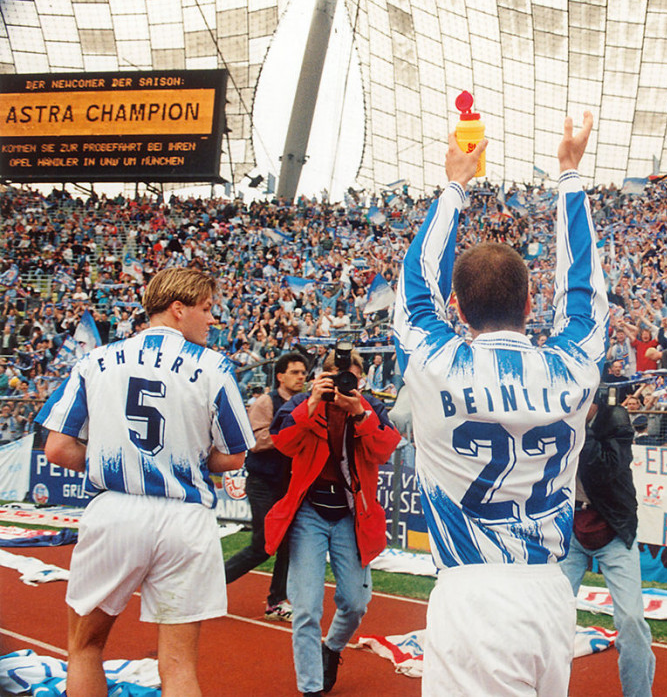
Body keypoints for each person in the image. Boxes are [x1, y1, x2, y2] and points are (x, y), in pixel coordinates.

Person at [393, 112, 608, 695]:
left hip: (473, 591)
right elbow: (585, 289)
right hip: (549, 592)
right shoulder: (572, 365)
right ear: (532, 299)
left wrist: (455, 185)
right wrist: (569, 175)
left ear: (458, 309)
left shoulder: (437, 364)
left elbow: (415, 283)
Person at [34, 267, 254, 697]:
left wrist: (107, 462)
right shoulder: (213, 365)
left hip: (116, 510)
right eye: (207, 309)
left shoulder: (94, 361)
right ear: (178, 308)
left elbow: (57, 449)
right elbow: (234, 456)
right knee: (178, 666)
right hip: (185, 518)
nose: (213, 319)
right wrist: (184, 459)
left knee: (85, 649)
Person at [263, 344, 401, 697]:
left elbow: (385, 449)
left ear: (360, 379)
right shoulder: (302, 405)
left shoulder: (370, 407)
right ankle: (311, 687)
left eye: (350, 378)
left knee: (355, 603)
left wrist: (360, 415)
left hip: (350, 515)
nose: (344, 384)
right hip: (309, 512)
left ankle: (332, 648)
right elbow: (283, 443)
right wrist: (311, 405)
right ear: (322, 377)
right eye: (338, 377)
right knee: (306, 607)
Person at [560, 391, 656, 697]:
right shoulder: (554, 418)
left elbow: (606, 469)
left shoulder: (615, 419)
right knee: (552, 616)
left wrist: (578, 431)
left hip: (615, 528)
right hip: (571, 529)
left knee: (630, 620)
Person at [224, 352, 308, 621]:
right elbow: (255, 440)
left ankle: (276, 601)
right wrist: (289, 435)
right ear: (280, 376)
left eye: (304, 372)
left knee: (288, 544)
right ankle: (211, 583)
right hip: (262, 482)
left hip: (288, 484)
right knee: (263, 544)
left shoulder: (306, 403)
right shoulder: (266, 401)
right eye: (295, 372)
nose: (301, 377)